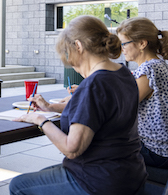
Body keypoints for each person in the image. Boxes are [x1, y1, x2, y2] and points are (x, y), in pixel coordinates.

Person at [10, 15, 147, 195]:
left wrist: (41, 120)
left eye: (68, 54)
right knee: (44, 174)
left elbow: (72, 149)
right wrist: (51, 109)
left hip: (99, 180)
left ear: (78, 46)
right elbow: (101, 112)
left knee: (18, 186)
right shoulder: (124, 73)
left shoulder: (94, 84)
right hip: (131, 173)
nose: (70, 62)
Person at [117, 17, 168, 169]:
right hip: (156, 145)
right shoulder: (156, 65)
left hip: (156, 149)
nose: (122, 49)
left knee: (101, 148)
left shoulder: (149, 69)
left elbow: (124, 105)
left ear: (142, 43)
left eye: (124, 43)